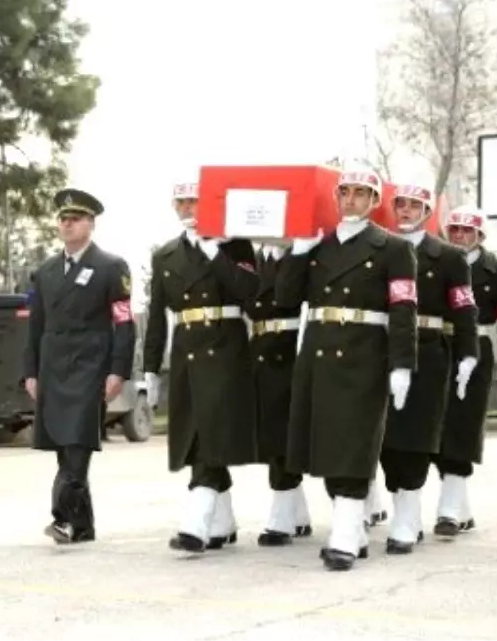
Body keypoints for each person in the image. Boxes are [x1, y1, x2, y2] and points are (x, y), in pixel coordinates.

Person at [274, 168, 419, 572]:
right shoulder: (319, 246)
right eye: (346, 192)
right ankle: (352, 531)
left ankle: (343, 537)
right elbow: (285, 299)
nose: (352, 199)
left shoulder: (391, 248)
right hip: (318, 352)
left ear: (375, 202)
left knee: (353, 446)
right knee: (322, 447)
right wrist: (298, 252)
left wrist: (402, 364)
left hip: (364, 354)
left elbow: (403, 307)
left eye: (362, 193)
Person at [143, 181, 259, 554]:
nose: (188, 207)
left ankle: (196, 521)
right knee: (195, 436)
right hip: (186, 351)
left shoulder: (235, 244)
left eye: (194, 200)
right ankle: (222, 523)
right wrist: (149, 368)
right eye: (181, 201)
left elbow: (251, 294)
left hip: (226, 347)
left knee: (213, 431)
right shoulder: (165, 255)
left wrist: (214, 252)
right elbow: (159, 316)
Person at [24, 188, 136, 545]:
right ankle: (82, 527)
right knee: (63, 445)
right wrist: (31, 371)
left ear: (91, 223)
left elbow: (123, 321)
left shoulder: (110, 266)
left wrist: (118, 369)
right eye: (63, 219)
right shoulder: (45, 272)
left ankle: (61, 517)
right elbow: (35, 326)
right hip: (54, 367)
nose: (67, 224)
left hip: (90, 365)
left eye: (75, 219)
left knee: (77, 443)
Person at [378, 186, 479, 555]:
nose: (406, 210)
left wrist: (468, 354)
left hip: (430, 352)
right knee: (385, 438)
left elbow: (464, 309)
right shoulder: (382, 249)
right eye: (400, 204)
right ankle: (398, 500)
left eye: (414, 205)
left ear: (427, 210)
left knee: (417, 434)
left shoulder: (450, 257)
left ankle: (408, 512)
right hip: (384, 349)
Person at [435, 206, 497, 538]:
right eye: (453, 228)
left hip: (479, 352)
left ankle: (449, 509)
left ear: (480, 235)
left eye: (465, 230)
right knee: (438, 429)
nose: (458, 235)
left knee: (464, 425)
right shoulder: (434, 263)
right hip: (441, 349)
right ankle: (460, 506)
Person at [246, 243, 314, 546]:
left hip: (293, 349)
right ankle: (295, 512)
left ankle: (283, 516)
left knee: (287, 433)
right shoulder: (253, 256)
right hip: (261, 348)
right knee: (274, 436)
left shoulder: (305, 251)